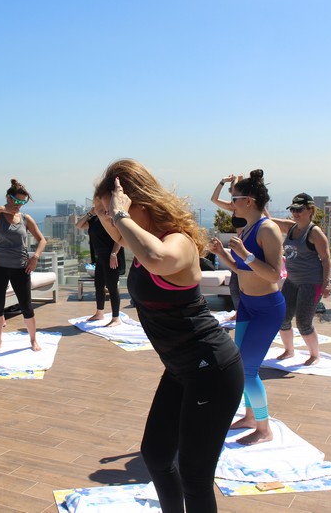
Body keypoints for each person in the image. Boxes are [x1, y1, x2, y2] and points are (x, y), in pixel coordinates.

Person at [93, 159, 243, 513]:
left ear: (137, 204)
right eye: (101, 211)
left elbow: (158, 257)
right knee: (156, 456)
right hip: (180, 369)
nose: (106, 217)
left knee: (194, 476)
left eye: (110, 209)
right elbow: (133, 243)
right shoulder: (135, 240)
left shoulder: (177, 242)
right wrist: (112, 215)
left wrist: (119, 216)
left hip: (212, 369)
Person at [210, 169, 285, 445]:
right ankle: (251, 416)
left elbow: (273, 274)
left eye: (235, 198)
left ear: (249, 201)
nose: (232, 204)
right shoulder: (249, 228)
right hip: (248, 306)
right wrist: (224, 256)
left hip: (267, 308)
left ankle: (264, 429)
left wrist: (246, 254)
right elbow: (243, 270)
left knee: (248, 370)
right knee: (239, 365)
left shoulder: (268, 229)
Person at [0, 179, 47, 353]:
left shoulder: (25, 218)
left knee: (26, 305)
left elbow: (42, 240)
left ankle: (33, 340)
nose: (19, 205)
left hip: (21, 266)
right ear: (8, 198)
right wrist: (3, 209)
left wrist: (35, 257)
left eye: (23, 202)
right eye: (16, 201)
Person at [269, 193, 331, 365]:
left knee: (304, 322)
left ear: (310, 210)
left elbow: (326, 260)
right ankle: (289, 350)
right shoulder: (290, 227)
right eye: (293, 209)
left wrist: (327, 284)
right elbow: (267, 220)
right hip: (292, 281)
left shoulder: (315, 232)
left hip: (311, 282)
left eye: (300, 209)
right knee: (282, 318)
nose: (296, 213)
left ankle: (314, 354)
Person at [75, 206, 125, 327]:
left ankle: (116, 318)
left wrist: (114, 253)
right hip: (99, 258)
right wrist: (89, 213)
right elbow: (78, 225)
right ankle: (99, 313)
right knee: (98, 286)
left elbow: (119, 237)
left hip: (111, 258)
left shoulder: (112, 220)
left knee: (112, 287)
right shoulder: (94, 220)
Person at [210, 174, 244, 315]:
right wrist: (222, 181)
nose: (231, 194)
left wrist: (236, 180)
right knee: (235, 286)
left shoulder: (245, 208)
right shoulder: (233, 208)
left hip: (247, 248)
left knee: (239, 285)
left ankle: (242, 313)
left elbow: (238, 192)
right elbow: (214, 199)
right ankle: (240, 312)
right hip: (238, 248)